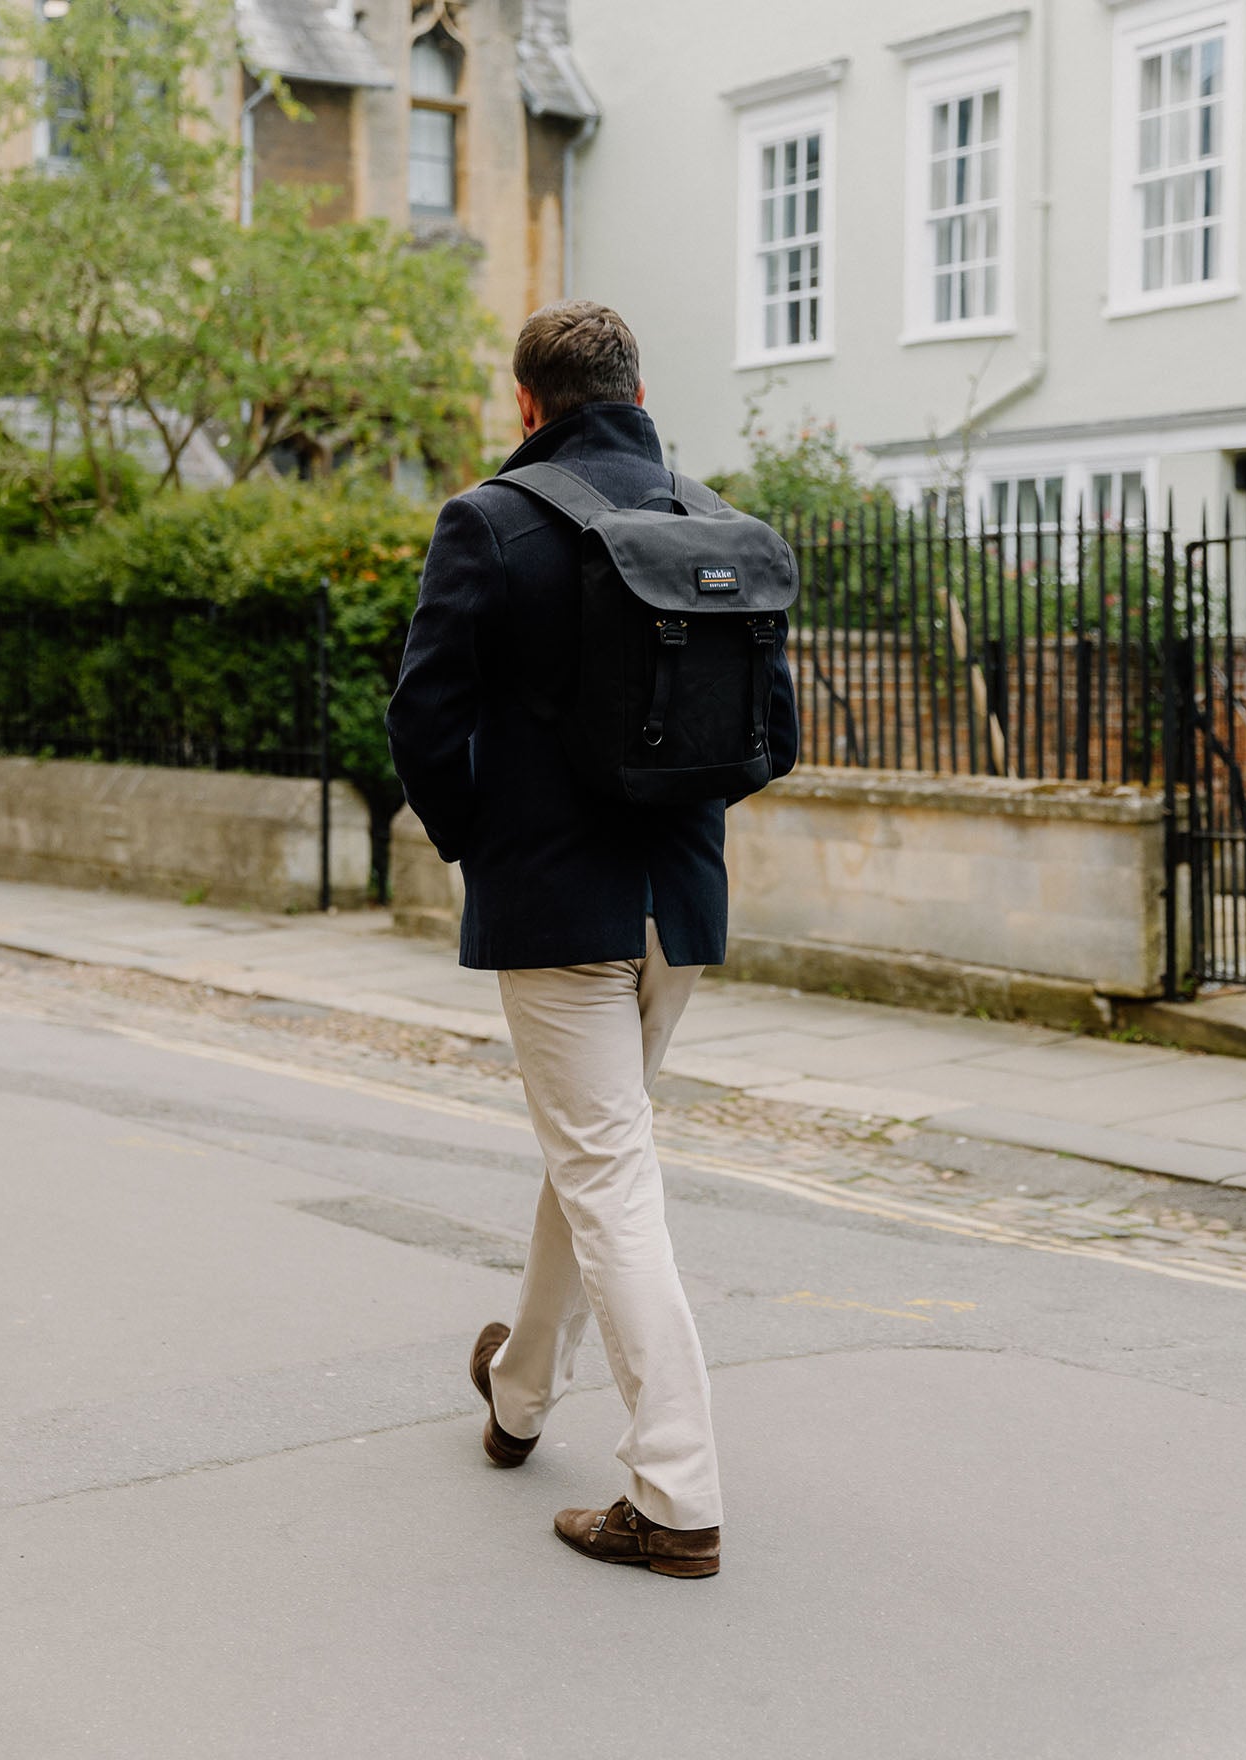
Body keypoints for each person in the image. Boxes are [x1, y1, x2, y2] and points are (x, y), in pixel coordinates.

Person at [385, 300, 798, 1579]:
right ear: (632, 386)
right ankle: (517, 1394)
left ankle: (676, 1494)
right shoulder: (712, 522)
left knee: (609, 1175)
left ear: (528, 404)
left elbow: (420, 720)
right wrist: (676, 819)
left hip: (557, 912)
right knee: (596, 1149)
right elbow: (771, 738)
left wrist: (480, 843)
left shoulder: (489, 522)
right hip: (678, 906)